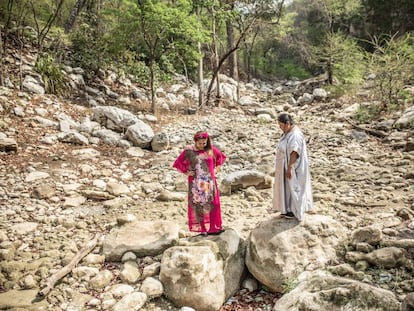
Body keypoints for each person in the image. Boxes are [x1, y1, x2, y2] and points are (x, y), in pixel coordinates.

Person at [173, 131, 226, 236]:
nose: (203, 145)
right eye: (200, 143)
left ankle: (213, 228)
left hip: (210, 182)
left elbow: (221, 158)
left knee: (214, 204)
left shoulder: (211, 150)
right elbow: (177, 163)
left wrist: (216, 169)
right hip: (196, 183)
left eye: (204, 143)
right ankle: (202, 229)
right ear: (195, 142)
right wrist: (186, 172)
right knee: (199, 205)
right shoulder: (189, 151)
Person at [272, 113, 313, 221]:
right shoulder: (287, 133)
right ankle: (287, 209)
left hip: (294, 166)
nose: (280, 128)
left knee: (295, 187)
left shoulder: (295, 135)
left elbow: (294, 152)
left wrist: (290, 167)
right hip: (285, 164)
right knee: (286, 188)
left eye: (281, 125)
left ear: (288, 124)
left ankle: (296, 211)